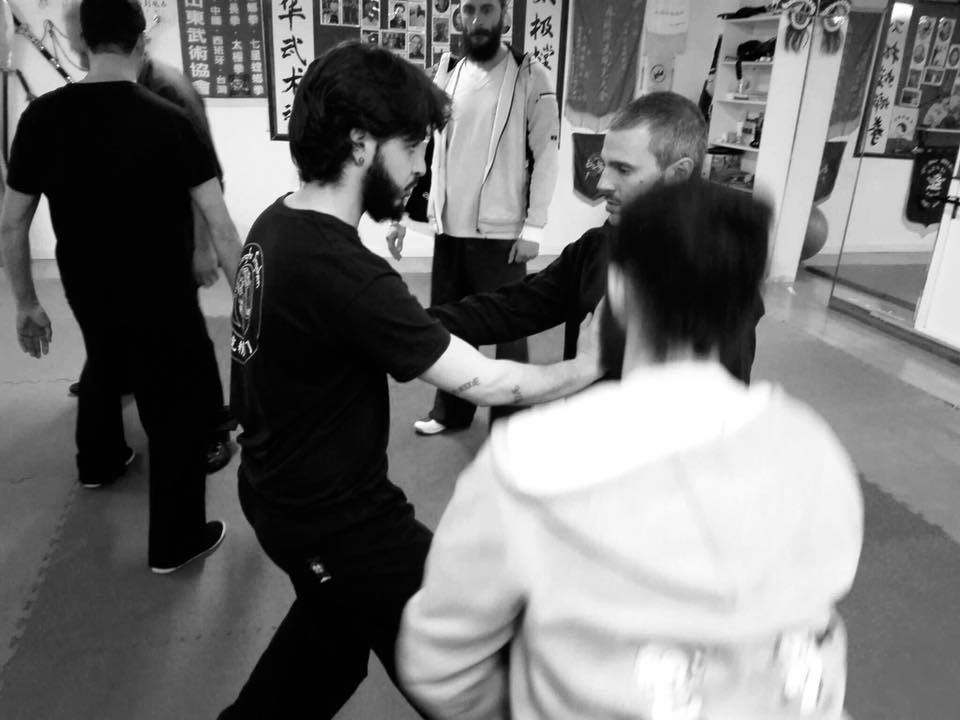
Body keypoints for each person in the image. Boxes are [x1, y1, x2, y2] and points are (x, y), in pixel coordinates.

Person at [217, 42, 601, 719]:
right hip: (339, 522)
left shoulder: (278, 222)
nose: (423, 166)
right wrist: (596, 365)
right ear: (361, 143)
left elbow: (361, 329)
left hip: (277, 492)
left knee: (331, 645)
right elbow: (489, 383)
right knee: (471, 664)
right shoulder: (343, 270)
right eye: (416, 147)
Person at [398, 179, 864, 719]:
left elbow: (439, 663)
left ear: (617, 291)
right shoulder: (814, 448)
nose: (605, 183)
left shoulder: (530, 465)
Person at [1, 0, 240, 572]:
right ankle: (177, 542)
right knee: (174, 410)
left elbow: (12, 222)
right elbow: (221, 224)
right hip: (161, 292)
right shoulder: (170, 118)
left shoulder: (40, 118)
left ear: (83, 43)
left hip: (85, 285)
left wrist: (27, 303)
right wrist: (254, 310)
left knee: (105, 360)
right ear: (140, 42)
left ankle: (99, 463)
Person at [394, 92, 765, 389]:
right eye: (605, 165)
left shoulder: (721, 282)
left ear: (678, 174)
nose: (602, 184)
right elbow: (515, 307)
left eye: (623, 169)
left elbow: (720, 413)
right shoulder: (599, 246)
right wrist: (403, 322)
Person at [62, 0, 236, 473]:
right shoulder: (96, 93)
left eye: (78, 37)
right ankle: (115, 391)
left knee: (189, 340)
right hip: (123, 245)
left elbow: (208, 180)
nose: (78, 48)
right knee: (111, 334)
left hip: (173, 241)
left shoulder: (169, 91)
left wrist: (203, 249)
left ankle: (213, 431)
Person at [389, 0, 559, 436]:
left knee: (509, 331)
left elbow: (547, 154)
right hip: (449, 229)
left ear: (504, 15)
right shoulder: (447, 73)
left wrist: (534, 227)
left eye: (487, 9)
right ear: (458, 16)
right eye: (469, 10)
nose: (478, 20)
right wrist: (398, 216)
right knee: (450, 327)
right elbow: (423, 149)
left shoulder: (530, 76)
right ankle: (452, 412)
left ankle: (511, 424)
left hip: (502, 232)